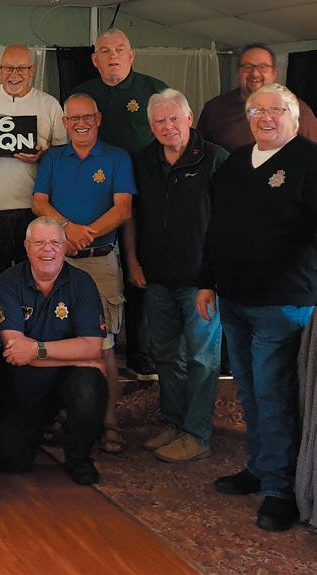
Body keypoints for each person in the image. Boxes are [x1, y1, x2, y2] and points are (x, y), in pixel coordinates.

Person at [197, 83, 317, 532]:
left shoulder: (309, 162)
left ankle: (281, 491)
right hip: (234, 299)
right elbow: (215, 229)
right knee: (248, 392)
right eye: (257, 111)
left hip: (282, 303)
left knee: (274, 397)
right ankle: (260, 467)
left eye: (276, 110)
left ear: (294, 116)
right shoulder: (235, 164)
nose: (266, 117)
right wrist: (206, 281)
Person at [124, 89, 227, 463]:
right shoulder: (142, 160)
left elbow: (227, 222)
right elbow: (132, 215)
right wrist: (133, 262)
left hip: (201, 282)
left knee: (202, 359)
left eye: (173, 119)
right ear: (150, 125)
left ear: (189, 118)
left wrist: (212, 279)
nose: (167, 127)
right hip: (156, 279)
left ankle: (197, 434)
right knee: (167, 356)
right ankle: (174, 422)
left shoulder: (214, 158)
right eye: (159, 121)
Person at [32, 93, 135, 455]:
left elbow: (123, 209)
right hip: (58, 262)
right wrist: (66, 230)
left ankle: (109, 422)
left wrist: (82, 235)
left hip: (100, 261)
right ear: (64, 123)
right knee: (57, 338)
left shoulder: (117, 157)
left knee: (103, 344)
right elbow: (38, 202)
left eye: (87, 117)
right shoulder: (53, 158)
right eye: (74, 118)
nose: (81, 123)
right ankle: (64, 415)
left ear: (99, 118)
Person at [74, 28, 168, 381]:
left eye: (119, 49)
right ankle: (96, 346)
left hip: (144, 196)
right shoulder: (83, 94)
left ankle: (143, 351)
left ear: (132, 56)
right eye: (105, 50)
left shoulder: (154, 90)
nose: (112, 56)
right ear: (94, 59)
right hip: (94, 197)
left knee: (138, 272)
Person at [0, 216, 107, 485]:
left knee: (89, 384)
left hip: (68, 380)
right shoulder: (9, 281)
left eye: (55, 242)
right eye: (39, 242)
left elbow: (93, 345)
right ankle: (42, 427)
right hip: (25, 383)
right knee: (10, 461)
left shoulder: (82, 282)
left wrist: (37, 350)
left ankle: (79, 458)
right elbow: (15, 351)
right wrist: (75, 355)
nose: (48, 249)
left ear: (65, 247)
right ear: (26, 247)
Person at [0, 44, 67, 276]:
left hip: (34, 206)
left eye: (21, 69)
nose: (14, 75)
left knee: (34, 277)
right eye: (8, 68)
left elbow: (64, 153)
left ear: (32, 70)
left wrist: (42, 155)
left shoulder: (49, 104)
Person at [198, 43, 317, 152]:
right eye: (247, 67)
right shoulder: (214, 108)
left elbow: (312, 155)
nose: (255, 73)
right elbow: (200, 154)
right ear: (238, 73)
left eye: (263, 67)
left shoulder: (299, 110)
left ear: (274, 73)